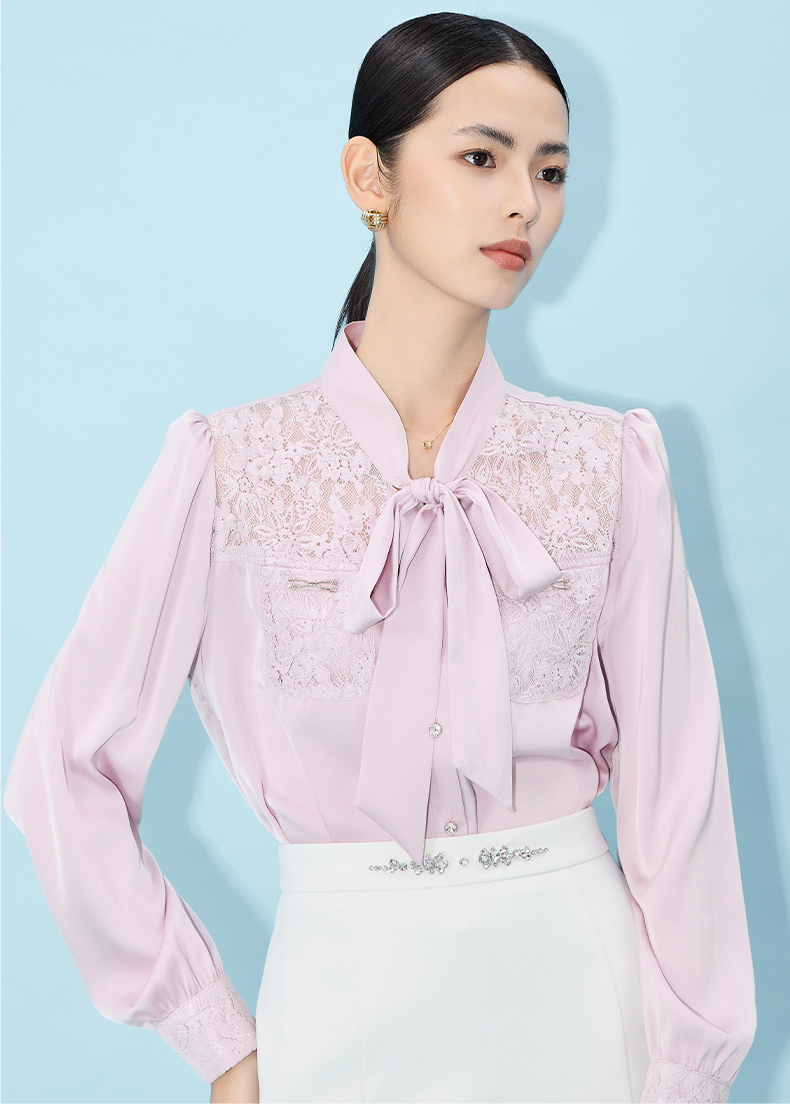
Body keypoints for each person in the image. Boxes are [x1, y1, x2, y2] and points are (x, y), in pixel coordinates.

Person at [3, 11, 757, 1105]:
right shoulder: (230, 465)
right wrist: (212, 1034)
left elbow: (680, 793)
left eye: (549, 171)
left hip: (582, 996)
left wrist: (687, 1078)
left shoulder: (609, 463)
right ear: (370, 176)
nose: (523, 202)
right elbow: (62, 765)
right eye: (481, 158)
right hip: (340, 996)